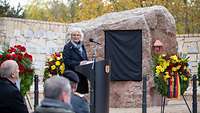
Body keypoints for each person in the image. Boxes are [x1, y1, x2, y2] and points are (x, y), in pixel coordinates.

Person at [63, 27, 89, 94]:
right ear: (71, 36)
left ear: (80, 36)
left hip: (82, 74)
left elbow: (85, 58)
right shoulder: (67, 47)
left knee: (82, 95)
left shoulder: (82, 46)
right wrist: (79, 63)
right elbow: (66, 61)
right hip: (73, 75)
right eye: (74, 35)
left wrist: (87, 62)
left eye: (78, 35)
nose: (76, 37)